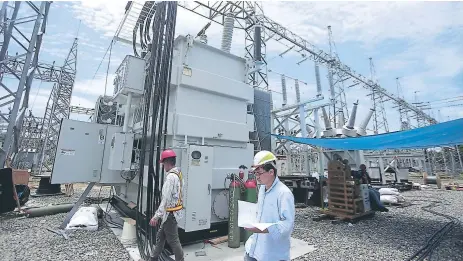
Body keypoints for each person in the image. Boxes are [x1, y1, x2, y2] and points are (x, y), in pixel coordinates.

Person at [244, 150, 295, 261]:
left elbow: (287, 225)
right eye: (255, 173)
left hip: (272, 254)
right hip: (254, 248)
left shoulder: (284, 193)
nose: (257, 177)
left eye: (259, 173)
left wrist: (261, 229)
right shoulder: (262, 188)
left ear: (271, 172)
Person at [149, 149, 184, 261]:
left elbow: (165, 199)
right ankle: (153, 258)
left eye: (163, 163)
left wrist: (156, 216)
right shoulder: (178, 174)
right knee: (161, 236)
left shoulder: (170, 177)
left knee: (173, 240)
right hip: (175, 212)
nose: (163, 166)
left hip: (170, 214)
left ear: (167, 162)